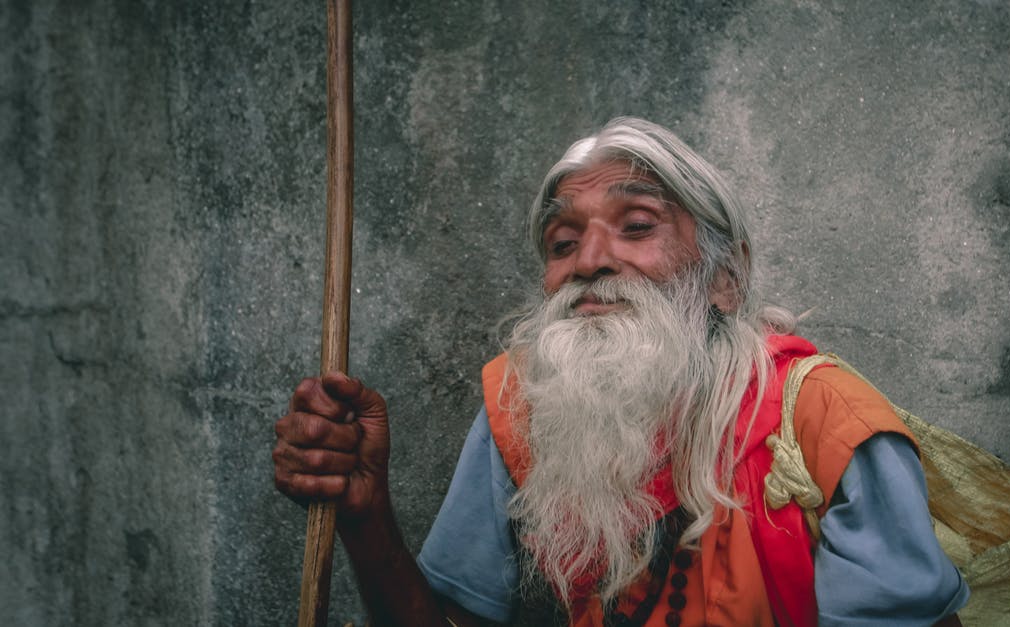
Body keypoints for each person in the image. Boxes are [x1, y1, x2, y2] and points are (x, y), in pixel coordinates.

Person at [273, 117, 969, 626]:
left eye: (636, 225)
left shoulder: (827, 424)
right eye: (563, 241)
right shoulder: (524, 408)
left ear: (725, 278)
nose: (589, 260)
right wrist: (365, 513)